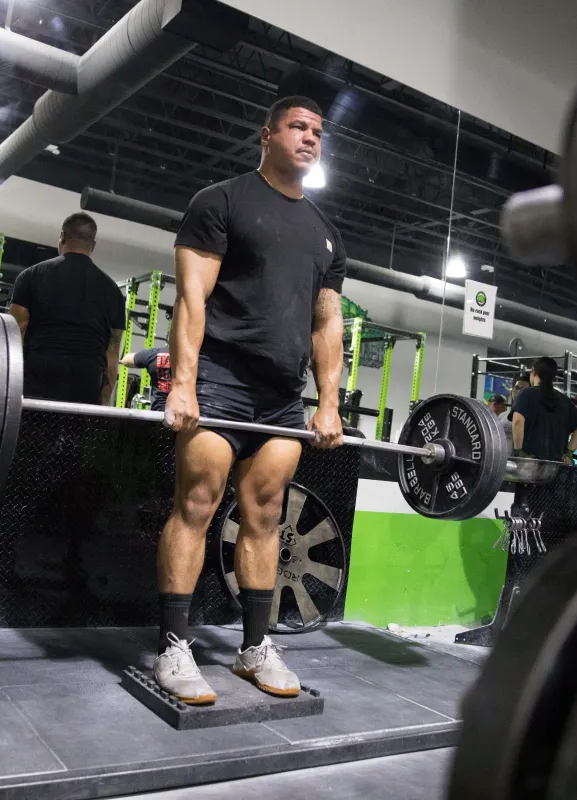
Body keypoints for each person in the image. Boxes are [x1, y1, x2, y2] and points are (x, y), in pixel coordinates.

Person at [153, 95, 346, 704]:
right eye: (298, 126)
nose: (310, 137)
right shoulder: (221, 202)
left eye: (317, 130)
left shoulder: (325, 233)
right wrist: (183, 382)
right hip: (219, 380)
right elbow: (192, 298)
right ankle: (175, 648)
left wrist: (329, 402)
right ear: (267, 135)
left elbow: (327, 326)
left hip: (282, 398)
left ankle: (254, 649)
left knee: (265, 514)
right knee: (199, 503)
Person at [8, 213, 125, 404]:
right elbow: (112, 355)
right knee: (76, 434)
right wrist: (104, 401)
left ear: (62, 237)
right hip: (87, 382)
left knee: (34, 434)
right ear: (93, 246)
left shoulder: (30, 276)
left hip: (39, 378)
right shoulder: (114, 292)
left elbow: (14, 336)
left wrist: (10, 389)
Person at [510, 356, 577, 463]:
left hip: (530, 464)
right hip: (555, 466)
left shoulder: (526, 394)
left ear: (533, 372)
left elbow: (518, 421)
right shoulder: (564, 400)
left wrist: (518, 451)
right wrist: (569, 453)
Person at [121, 345, 170, 410]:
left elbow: (125, 360)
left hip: (158, 412)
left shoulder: (154, 355)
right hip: (183, 413)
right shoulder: (187, 358)